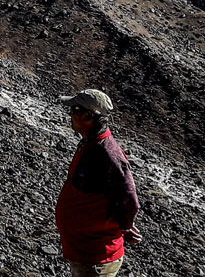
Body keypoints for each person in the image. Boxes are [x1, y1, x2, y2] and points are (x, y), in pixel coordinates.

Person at [55, 89, 142, 277]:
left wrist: (125, 226)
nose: (70, 115)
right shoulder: (90, 144)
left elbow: (129, 200)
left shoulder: (108, 155)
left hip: (96, 258)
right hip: (85, 253)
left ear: (88, 115)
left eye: (74, 110)